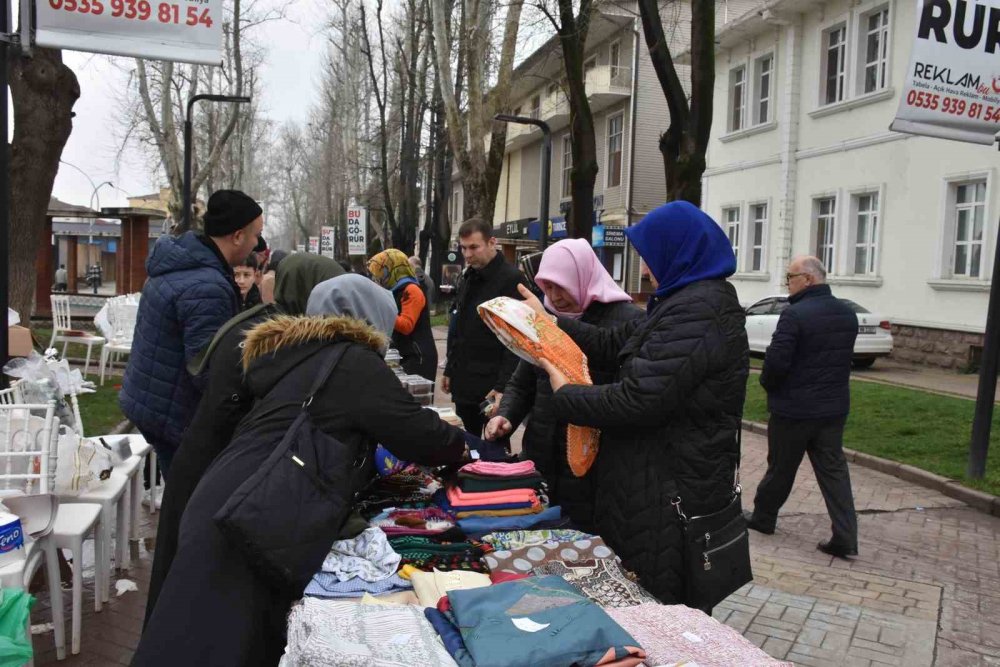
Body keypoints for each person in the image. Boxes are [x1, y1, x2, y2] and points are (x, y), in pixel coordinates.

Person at [134, 274, 468, 666]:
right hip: (252, 516)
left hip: (231, 499)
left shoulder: (305, 354)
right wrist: (464, 447)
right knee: (209, 644)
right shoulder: (352, 362)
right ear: (368, 317)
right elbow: (418, 433)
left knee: (193, 634)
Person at [519, 201, 749, 605]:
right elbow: (615, 344)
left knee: (661, 612)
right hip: (652, 488)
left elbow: (637, 400)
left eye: (649, 257)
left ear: (677, 251)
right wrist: (549, 321)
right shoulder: (684, 301)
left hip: (668, 496)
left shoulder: (698, 310)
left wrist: (565, 395)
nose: (644, 270)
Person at [143, 253, 344, 626]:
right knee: (187, 588)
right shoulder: (273, 335)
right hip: (210, 465)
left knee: (185, 580)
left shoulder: (267, 324)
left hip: (207, 458)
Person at [485, 239, 641, 530]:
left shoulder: (625, 320)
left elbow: (626, 390)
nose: (554, 297)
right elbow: (523, 379)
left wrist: (551, 321)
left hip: (595, 466)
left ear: (581, 278)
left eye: (561, 286)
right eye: (547, 287)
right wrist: (506, 415)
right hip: (543, 456)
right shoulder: (543, 316)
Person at [120, 189, 264, 476]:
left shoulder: (188, 265)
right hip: (173, 411)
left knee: (181, 497)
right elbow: (209, 367)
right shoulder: (206, 286)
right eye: (254, 235)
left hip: (154, 399)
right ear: (237, 236)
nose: (257, 244)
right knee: (190, 501)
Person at [746, 256, 860, 559]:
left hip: (794, 410)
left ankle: (763, 518)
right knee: (834, 472)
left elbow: (777, 362)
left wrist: (769, 386)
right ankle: (846, 535)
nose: (788, 284)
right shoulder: (847, 314)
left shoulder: (795, 315)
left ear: (808, 279)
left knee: (781, 468)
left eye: (790, 278)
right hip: (833, 409)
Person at [444, 218, 526, 436]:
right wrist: (450, 368)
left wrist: (503, 386)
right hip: (465, 379)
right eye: (463, 248)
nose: (467, 254)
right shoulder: (468, 275)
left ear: (492, 242)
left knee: (495, 446)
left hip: (492, 381)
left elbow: (516, 338)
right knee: (465, 445)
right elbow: (459, 325)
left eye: (474, 247)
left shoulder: (511, 278)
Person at [368, 249, 438, 382]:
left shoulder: (411, 290)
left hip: (417, 357)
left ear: (393, 268)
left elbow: (406, 325)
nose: (378, 277)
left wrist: (382, 309)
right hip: (402, 354)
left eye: (381, 271)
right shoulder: (394, 291)